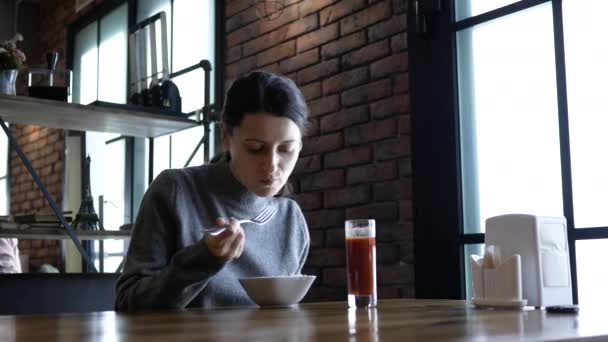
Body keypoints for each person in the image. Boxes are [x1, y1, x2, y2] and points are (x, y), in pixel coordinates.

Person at [115, 70, 310, 311]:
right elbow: (128, 304)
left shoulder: (290, 218)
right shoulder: (175, 192)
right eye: (256, 148)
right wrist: (203, 260)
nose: (271, 165)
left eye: (286, 149)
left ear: (299, 145)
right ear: (226, 136)